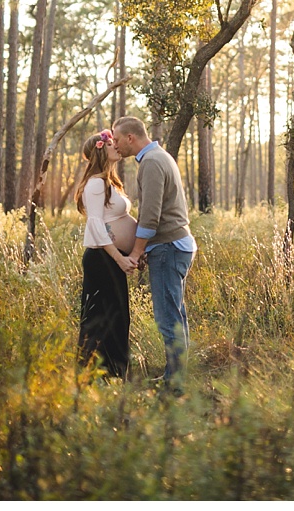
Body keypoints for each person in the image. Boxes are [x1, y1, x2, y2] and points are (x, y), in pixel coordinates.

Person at [111, 116, 196, 392]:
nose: (115, 144)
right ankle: (176, 374)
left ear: (131, 138)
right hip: (172, 246)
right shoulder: (158, 157)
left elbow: (150, 217)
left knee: (167, 318)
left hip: (170, 247)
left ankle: (176, 384)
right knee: (175, 314)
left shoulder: (151, 162)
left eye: (117, 139)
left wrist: (136, 253)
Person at [75, 128, 140, 378]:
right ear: (100, 152)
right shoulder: (94, 184)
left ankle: (114, 373)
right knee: (100, 318)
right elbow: (95, 225)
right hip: (102, 260)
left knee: (118, 316)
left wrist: (134, 252)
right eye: (111, 144)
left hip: (112, 259)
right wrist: (120, 258)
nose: (116, 146)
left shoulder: (109, 182)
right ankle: (95, 374)